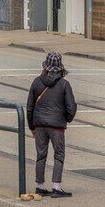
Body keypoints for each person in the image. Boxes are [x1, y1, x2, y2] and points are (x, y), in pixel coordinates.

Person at [26, 51, 77, 198]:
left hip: (39, 125)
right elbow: (71, 107)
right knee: (59, 154)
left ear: (45, 67)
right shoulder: (64, 84)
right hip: (57, 126)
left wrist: (32, 127)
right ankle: (56, 186)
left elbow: (29, 107)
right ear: (60, 68)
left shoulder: (36, 82)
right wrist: (66, 119)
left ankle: (40, 186)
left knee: (41, 155)